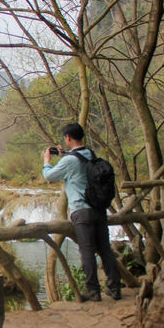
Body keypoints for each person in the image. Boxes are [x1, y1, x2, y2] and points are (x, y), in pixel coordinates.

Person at [42, 122, 122, 302]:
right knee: (105, 249)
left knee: (86, 250)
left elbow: (49, 176)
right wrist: (64, 155)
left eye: (65, 138)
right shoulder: (90, 154)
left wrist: (47, 161)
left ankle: (93, 291)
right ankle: (115, 287)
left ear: (68, 138)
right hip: (99, 210)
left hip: (81, 211)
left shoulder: (69, 160)